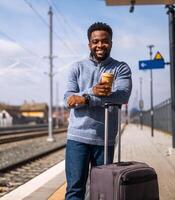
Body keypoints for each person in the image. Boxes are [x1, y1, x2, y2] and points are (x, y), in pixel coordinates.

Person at [64, 22, 132, 200]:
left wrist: (86, 98)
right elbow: (69, 100)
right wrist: (91, 92)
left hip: (105, 139)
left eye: (104, 41)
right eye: (95, 41)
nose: (100, 45)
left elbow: (122, 96)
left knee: (103, 191)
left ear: (111, 43)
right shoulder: (76, 68)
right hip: (77, 138)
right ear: (89, 44)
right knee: (74, 190)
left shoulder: (120, 68)